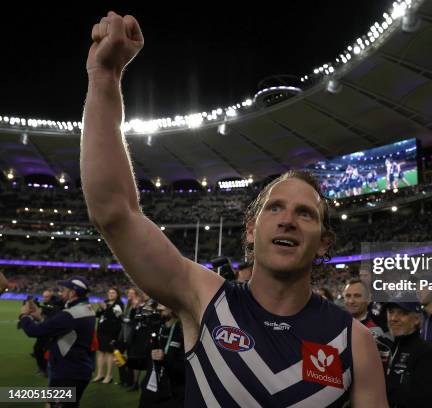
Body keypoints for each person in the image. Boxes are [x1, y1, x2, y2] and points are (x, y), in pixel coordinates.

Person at [82, 11, 385, 407]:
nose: (289, 220)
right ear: (250, 230)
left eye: (305, 213)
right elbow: (113, 212)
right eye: (275, 208)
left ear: (324, 242)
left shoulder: (354, 341)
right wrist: (105, 78)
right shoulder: (203, 298)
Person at [19, 276, 96, 407]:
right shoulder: (85, 308)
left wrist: (24, 316)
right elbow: (59, 328)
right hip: (77, 368)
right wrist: (40, 317)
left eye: (64, 289)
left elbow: (35, 331)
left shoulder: (71, 314)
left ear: (73, 292)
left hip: (68, 371)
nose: (61, 292)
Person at [383, 302, 432, 408]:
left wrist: (379, 385)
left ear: (417, 319)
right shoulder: (387, 347)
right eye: (391, 312)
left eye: (402, 313)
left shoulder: (427, 353)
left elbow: (421, 399)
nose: (393, 318)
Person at [138, 304, 185, 408]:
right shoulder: (158, 327)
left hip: (171, 392)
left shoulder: (183, 331)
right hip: (150, 388)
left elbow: (185, 370)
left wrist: (164, 359)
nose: (159, 308)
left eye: (162, 303)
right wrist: (127, 362)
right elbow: (147, 358)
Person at [93, 287, 123, 383]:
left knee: (109, 353)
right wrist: (101, 309)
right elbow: (97, 314)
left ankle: (109, 376)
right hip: (101, 331)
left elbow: (117, 316)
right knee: (101, 352)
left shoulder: (119, 304)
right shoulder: (105, 301)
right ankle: (100, 374)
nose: (111, 294)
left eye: (113, 292)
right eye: (109, 292)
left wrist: (106, 308)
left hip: (111, 332)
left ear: (117, 294)